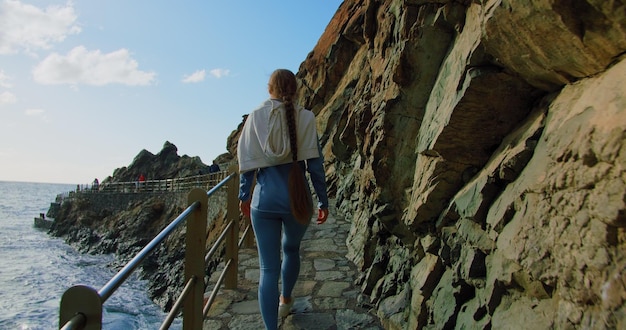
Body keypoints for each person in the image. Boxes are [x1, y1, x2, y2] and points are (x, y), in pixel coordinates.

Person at [237, 69, 329, 330]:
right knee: (291, 250)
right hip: (297, 199)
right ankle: (286, 300)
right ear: (296, 89)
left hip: (264, 202)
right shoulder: (307, 118)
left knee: (268, 269)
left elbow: (247, 164)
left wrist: (244, 195)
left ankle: (271, 328)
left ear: (270, 89)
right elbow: (316, 167)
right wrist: (323, 201)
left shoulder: (255, 116)